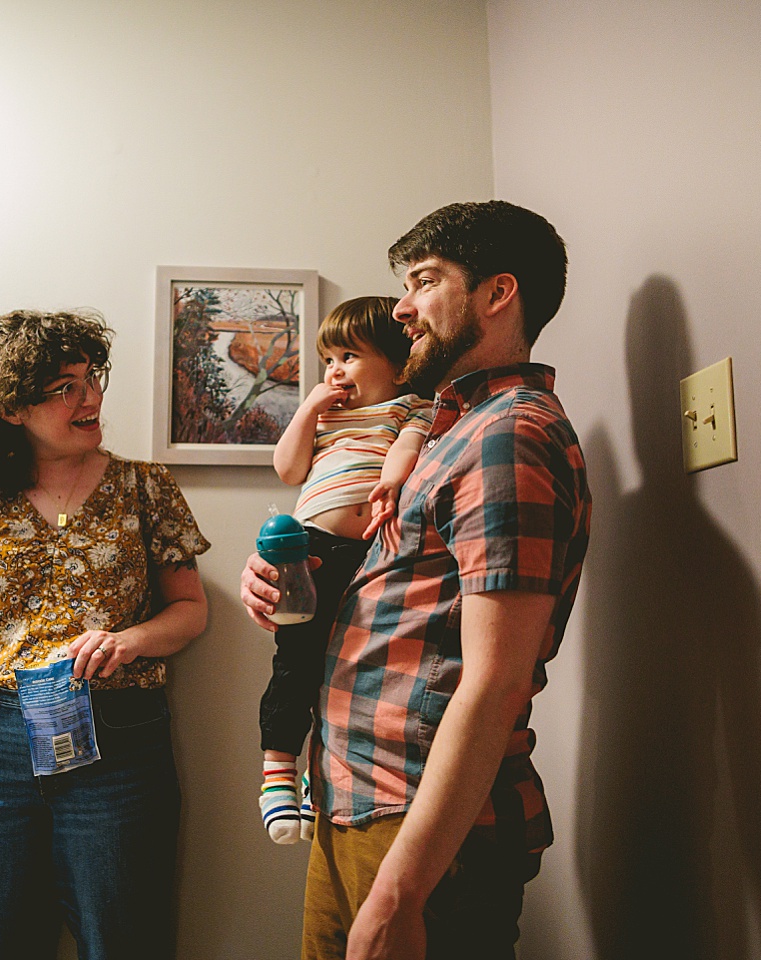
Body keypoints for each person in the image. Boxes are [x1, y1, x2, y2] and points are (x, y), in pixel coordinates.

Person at [239, 201, 591, 960]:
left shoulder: (508, 438)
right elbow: (386, 593)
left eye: (423, 282)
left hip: (419, 826)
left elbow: (496, 682)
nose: (400, 308)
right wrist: (281, 577)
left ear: (499, 294)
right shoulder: (443, 432)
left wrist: (401, 890)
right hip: (352, 797)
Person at [0, 309, 210, 960]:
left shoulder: (145, 488)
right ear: (13, 407)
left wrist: (132, 640)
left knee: (126, 944)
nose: (92, 396)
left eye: (91, 377)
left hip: (118, 745)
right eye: (65, 387)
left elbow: (190, 609)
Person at [258, 297, 432, 844]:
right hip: (312, 546)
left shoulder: (412, 408)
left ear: (399, 364)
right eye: (328, 359)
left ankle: (319, 774)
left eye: (350, 356)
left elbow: (407, 449)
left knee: (347, 665)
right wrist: (309, 408)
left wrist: (391, 481)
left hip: (369, 552)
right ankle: (276, 771)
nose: (335, 370)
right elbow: (288, 468)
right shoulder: (328, 417)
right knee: (295, 659)